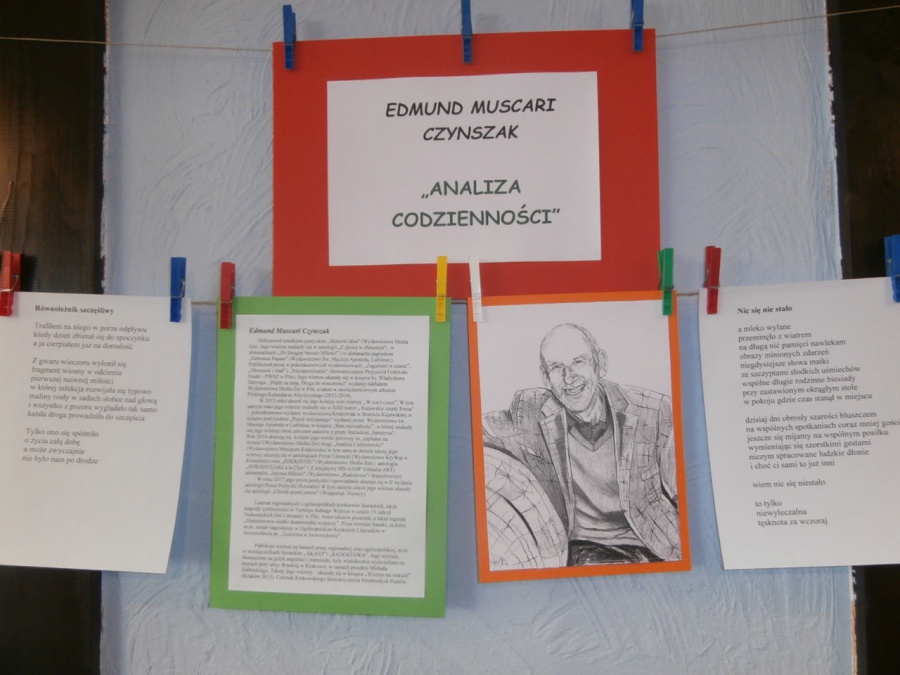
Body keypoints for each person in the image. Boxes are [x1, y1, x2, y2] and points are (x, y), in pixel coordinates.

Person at [482, 323, 681, 567]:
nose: (569, 378)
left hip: (656, 542)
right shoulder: (529, 410)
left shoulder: (654, 410)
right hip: (584, 550)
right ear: (545, 377)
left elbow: (685, 489)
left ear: (600, 363)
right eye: (557, 367)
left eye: (578, 362)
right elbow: (472, 433)